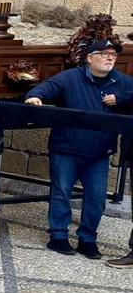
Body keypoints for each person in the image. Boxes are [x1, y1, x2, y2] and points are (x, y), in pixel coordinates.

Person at [26, 38, 133, 257]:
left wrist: (121, 99)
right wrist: (34, 97)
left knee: (96, 198)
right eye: (104, 54)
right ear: (89, 58)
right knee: (61, 193)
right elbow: (45, 88)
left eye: (113, 54)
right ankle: (58, 236)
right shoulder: (70, 77)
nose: (110, 57)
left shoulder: (122, 82)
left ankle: (88, 239)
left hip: (99, 154)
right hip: (67, 149)